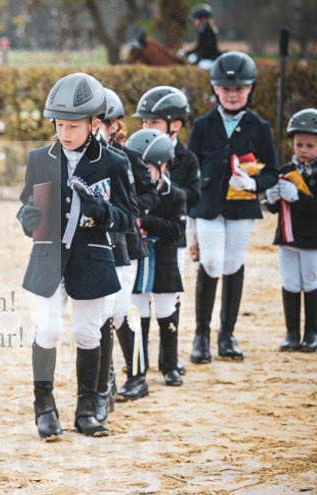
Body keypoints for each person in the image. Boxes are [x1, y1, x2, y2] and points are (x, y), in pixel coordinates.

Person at [16, 72, 136, 438]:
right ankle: (45, 406)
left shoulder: (114, 163)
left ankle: (87, 409)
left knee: (88, 333)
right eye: (59, 125)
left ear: (94, 123)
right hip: (49, 258)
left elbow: (128, 219)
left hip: (93, 258)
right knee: (49, 329)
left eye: (72, 126)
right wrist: (27, 217)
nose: (64, 133)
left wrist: (103, 213)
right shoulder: (40, 157)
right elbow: (26, 204)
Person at [188, 51, 278, 364]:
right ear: (215, 90)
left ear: (250, 88)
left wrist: (253, 185)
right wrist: (189, 218)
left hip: (241, 207)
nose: (233, 94)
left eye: (239, 89)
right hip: (206, 205)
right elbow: (189, 168)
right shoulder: (202, 125)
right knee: (211, 262)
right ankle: (201, 334)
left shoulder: (259, 126)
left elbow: (272, 172)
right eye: (227, 90)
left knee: (233, 264)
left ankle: (227, 334)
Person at [95, 88, 159, 417]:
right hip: (95, 245)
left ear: (114, 125)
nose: (97, 132)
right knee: (102, 312)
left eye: (103, 125)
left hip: (126, 243)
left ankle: (137, 374)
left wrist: (131, 213)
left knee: (121, 311)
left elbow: (148, 195)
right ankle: (104, 379)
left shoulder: (128, 157)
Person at [133, 86, 201, 375]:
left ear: (175, 124)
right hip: (141, 243)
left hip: (172, 238)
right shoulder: (138, 154)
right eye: (145, 122)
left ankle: (168, 360)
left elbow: (194, 196)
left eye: (154, 122)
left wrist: (167, 192)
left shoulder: (185, 159)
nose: (147, 127)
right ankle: (139, 362)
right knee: (140, 300)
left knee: (169, 295)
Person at [119, 129, 188, 398]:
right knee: (137, 316)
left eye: (147, 170)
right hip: (139, 261)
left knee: (166, 313)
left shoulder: (176, 195)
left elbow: (177, 230)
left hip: (165, 262)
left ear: (163, 165)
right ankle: (138, 369)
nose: (141, 176)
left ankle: (169, 365)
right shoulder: (130, 194)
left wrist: (145, 223)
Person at [262, 108, 317, 352]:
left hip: (312, 239)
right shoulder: (285, 171)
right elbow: (276, 211)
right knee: (291, 283)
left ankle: (312, 333)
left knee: (311, 283)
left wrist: (300, 199)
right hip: (287, 238)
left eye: (309, 145)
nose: (303, 150)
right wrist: (271, 200)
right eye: (299, 144)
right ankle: (292, 333)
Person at [183, 4, 220, 69]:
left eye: (195, 19)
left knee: (202, 66)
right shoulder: (203, 29)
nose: (194, 22)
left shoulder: (207, 30)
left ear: (202, 19)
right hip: (207, 58)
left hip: (210, 60)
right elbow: (199, 47)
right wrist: (186, 53)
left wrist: (195, 54)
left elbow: (206, 48)